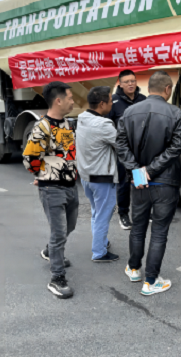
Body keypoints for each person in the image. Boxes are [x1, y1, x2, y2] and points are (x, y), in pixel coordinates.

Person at [116, 71, 181, 296]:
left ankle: (134, 269)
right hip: (166, 181)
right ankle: (151, 281)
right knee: (159, 232)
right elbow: (176, 148)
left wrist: (138, 171)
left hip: (139, 181)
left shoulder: (129, 112)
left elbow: (121, 145)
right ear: (167, 89)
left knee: (138, 227)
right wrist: (151, 170)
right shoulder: (176, 113)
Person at [23, 81, 78, 299]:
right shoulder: (41, 128)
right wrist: (42, 175)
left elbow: (67, 152)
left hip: (70, 185)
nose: (73, 101)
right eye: (70, 98)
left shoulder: (65, 124)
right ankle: (57, 278)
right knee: (58, 233)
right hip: (52, 188)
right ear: (58, 100)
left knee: (69, 226)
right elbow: (30, 160)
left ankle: (50, 252)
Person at [76, 86, 120, 263]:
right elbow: (121, 145)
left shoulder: (82, 118)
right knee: (103, 215)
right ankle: (99, 252)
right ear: (102, 104)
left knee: (96, 212)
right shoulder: (104, 125)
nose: (112, 104)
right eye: (110, 101)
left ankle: (101, 242)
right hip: (102, 177)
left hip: (86, 176)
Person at [108, 70, 147, 230]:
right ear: (120, 84)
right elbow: (107, 124)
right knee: (124, 182)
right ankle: (123, 214)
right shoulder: (114, 101)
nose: (131, 84)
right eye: (127, 81)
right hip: (123, 150)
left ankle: (143, 212)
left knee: (140, 180)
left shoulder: (143, 100)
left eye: (133, 80)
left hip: (141, 149)